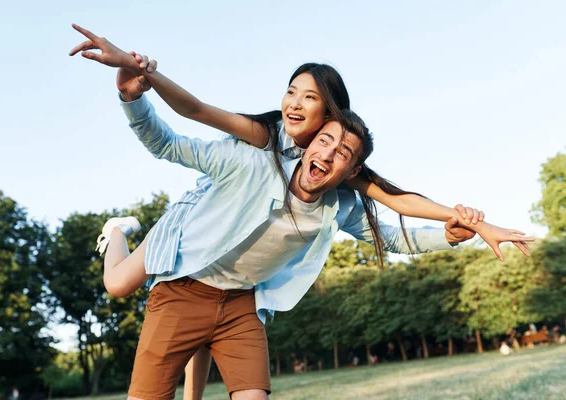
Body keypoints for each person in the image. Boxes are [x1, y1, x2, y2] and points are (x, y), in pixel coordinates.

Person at [70, 25, 534, 400]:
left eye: (310, 98)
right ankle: (115, 233)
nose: (294, 103)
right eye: (292, 92)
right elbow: (186, 120)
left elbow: (394, 212)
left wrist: (462, 229)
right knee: (116, 285)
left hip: (237, 300)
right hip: (185, 247)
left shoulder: (338, 187)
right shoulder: (254, 146)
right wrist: (136, 88)